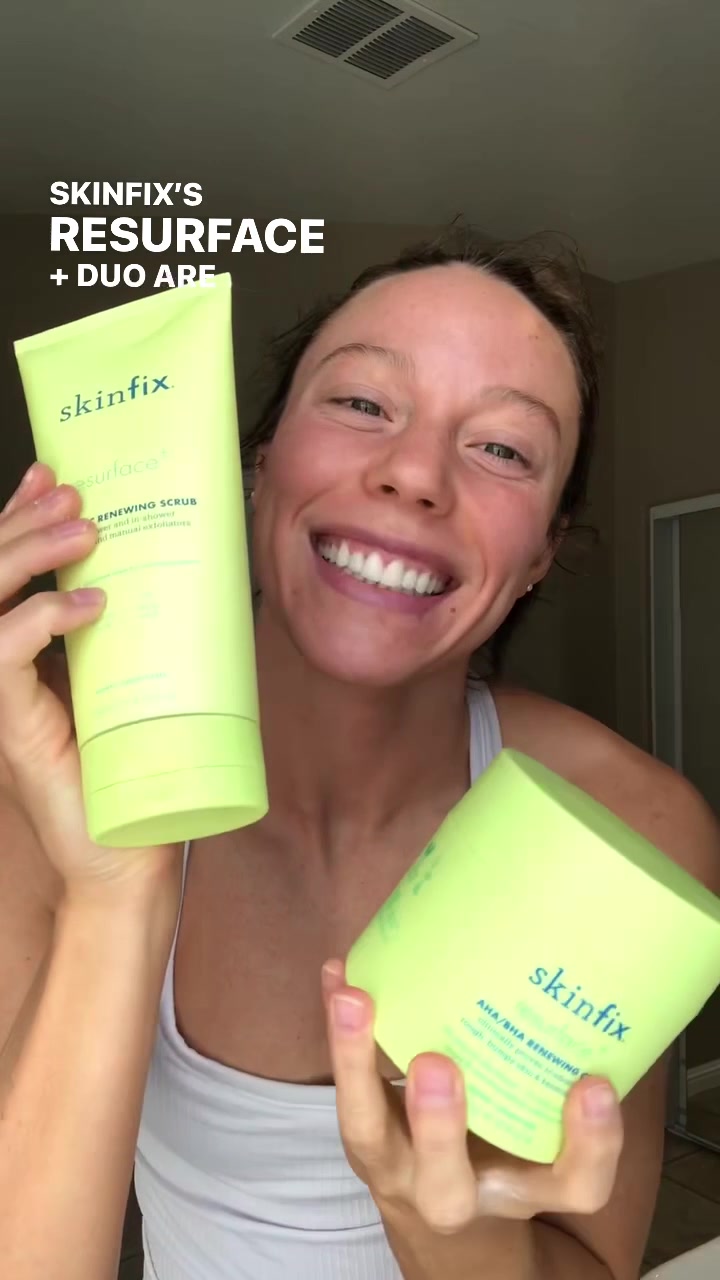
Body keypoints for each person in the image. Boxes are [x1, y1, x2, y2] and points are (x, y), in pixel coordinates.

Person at [0, 234, 718, 1280]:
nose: (415, 473)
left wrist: (455, 1236)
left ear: (541, 552)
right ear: (258, 467)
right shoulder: (54, 768)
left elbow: (588, 1263)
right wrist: (115, 895)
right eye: (362, 403)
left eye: (503, 448)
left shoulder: (631, 826)